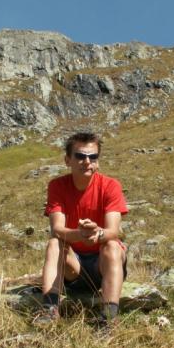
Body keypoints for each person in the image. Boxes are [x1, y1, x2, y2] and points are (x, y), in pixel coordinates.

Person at [36, 132, 128, 327]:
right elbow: (57, 229)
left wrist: (97, 233)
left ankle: (108, 319)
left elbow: (113, 231)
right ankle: (50, 310)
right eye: (80, 156)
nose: (87, 162)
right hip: (73, 267)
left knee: (112, 246)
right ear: (67, 160)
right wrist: (79, 235)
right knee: (54, 243)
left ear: (98, 161)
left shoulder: (111, 186)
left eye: (93, 157)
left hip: (102, 264)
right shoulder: (57, 186)